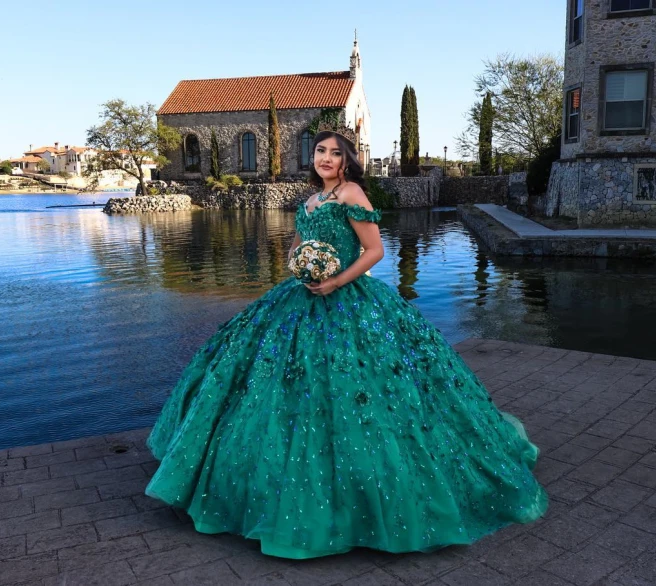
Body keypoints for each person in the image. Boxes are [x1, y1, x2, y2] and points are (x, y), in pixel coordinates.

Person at [144, 126, 548, 559]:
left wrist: (335, 279)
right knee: (263, 375)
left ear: (347, 161)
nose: (325, 159)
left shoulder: (352, 193)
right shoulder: (311, 199)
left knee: (359, 386)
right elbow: (298, 243)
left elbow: (374, 251)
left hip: (347, 297)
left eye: (334, 154)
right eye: (319, 151)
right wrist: (298, 264)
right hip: (301, 296)